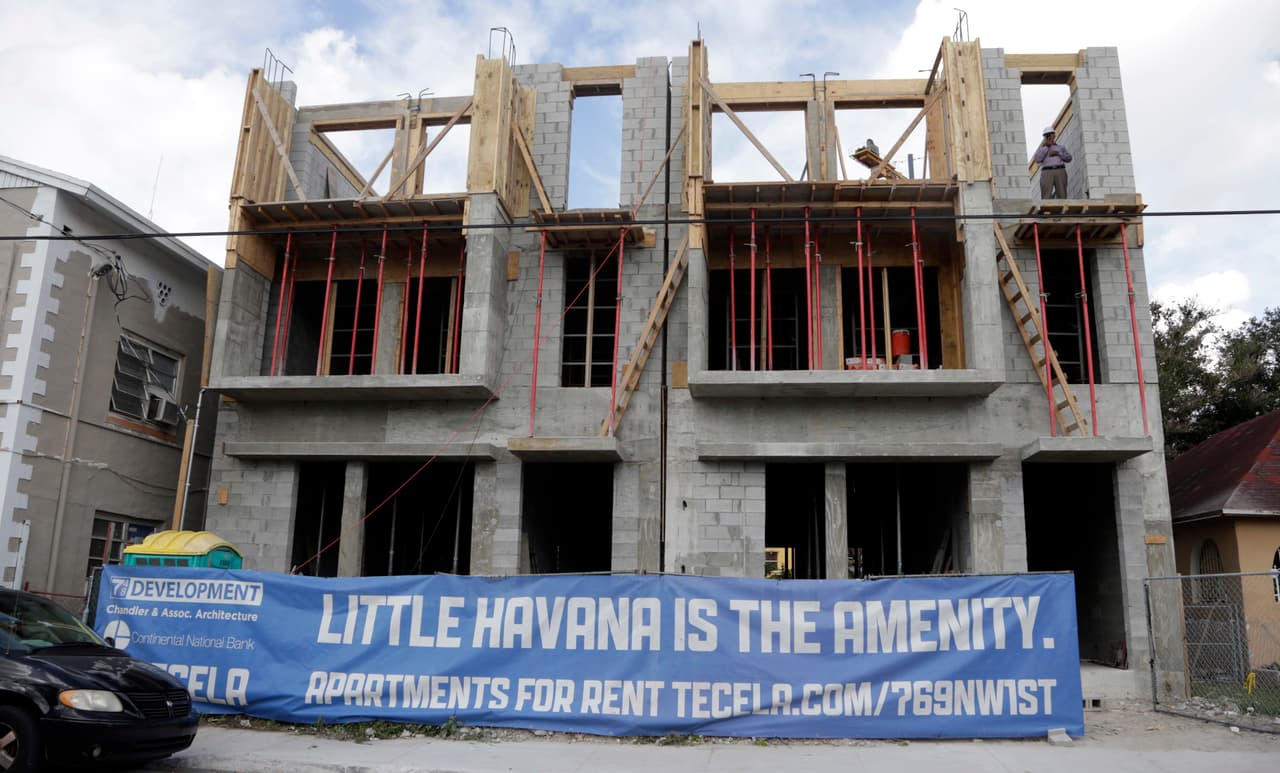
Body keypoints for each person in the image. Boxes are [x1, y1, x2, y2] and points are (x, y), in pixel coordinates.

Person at [1032, 127, 1072, 199]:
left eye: (1050, 134)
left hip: (1060, 170)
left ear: (1054, 135)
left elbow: (1069, 158)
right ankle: (1046, 209)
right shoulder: (1042, 149)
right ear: (1045, 137)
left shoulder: (1060, 147)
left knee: (1062, 193)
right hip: (1047, 171)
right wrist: (1046, 147)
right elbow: (1037, 159)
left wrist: (1058, 153)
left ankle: (1062, 208)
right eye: (1047, 135)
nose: (1049, 137)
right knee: (1046, 194)